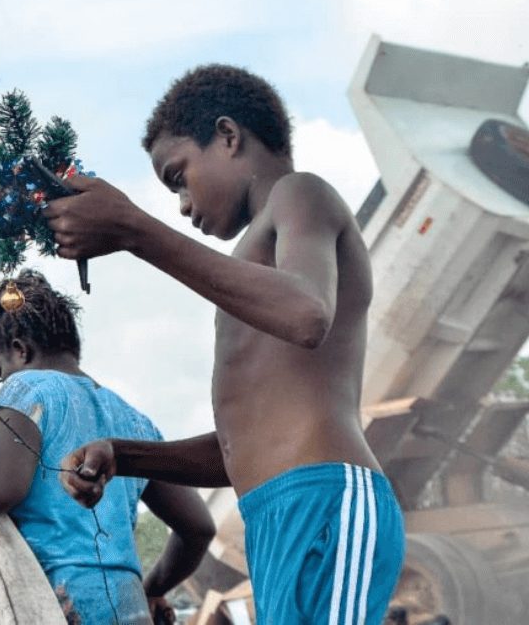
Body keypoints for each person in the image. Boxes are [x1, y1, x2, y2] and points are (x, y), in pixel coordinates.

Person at [44, 64, 405, 623]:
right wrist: (125, 454)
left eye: (178, 176)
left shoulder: (300, 194)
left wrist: (134, 230)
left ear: (229, 137)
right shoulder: (255, 262)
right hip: (273, 514)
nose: (183, 205)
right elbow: (240, 447)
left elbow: (307, 314)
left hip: (326, 500)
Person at [0, 270, 213, 624]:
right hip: (128, 606)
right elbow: (198, 528)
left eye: (1, 370)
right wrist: (152, 589)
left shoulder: (26, 391)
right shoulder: (134, 421)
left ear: (20, 351)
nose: (2, 380)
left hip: (53, 602)